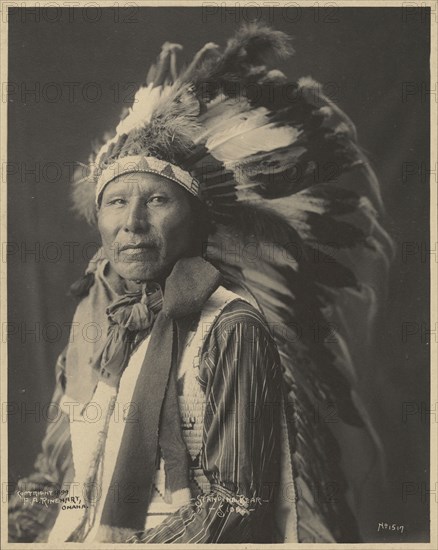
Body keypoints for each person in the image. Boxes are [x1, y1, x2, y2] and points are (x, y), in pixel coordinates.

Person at [8, 24, 393, 543]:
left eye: (158, 200)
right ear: (99, 218)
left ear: (195, 220)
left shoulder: (232, 329)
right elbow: (56, 480)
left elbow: (236, 501)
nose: (133, 223)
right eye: (117, 202)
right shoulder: (96, 326)